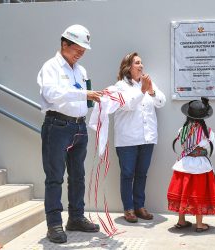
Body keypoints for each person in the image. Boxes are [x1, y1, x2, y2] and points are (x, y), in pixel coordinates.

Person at [37, 24, 102, 243]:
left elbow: (84, 97)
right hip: (57, 125)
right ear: (65, 44)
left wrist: (100, 98)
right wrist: (85, 93)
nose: (81, 52)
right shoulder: (51, 67)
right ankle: (54, 224)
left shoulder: (80, 70)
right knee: (54, 177)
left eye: (84, 49)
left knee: (78, 176)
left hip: (79, 127)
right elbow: (52, 93)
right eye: (78, 48)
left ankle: (76, 217)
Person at [113, 52, 166, 223]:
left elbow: (161, 102)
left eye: (142, 62)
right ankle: (128, 209)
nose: (141, 65)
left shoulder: (148, 83)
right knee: (128, 174)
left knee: (142, 174)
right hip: (127, 139)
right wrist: (142, 91)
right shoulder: (119, 86)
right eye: (137, 63)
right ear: (128, 67)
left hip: (147, 138)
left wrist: (150, 90)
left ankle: (139, 206)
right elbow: (128, 105)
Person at [167, 97, 215, 232]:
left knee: (183, 192)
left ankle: (181, 220)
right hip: (200, 166)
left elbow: (182, 146)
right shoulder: (208, 132)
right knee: (199, 193)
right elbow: (212, 152)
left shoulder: (182, 130)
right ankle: (199, 224)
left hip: (184, 164)